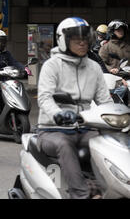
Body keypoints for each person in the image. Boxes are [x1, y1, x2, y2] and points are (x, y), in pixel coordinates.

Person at [37, 17, 113, 199]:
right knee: (64, 144)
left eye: (85, 38)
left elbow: (105, 100)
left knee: (111, 144)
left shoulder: (94, 67)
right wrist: (58, 114)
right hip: (52, 130)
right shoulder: (51, 65)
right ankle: (80, 194)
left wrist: (116, 116)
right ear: (63, 40)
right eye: (76, 39)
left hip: (85, 128)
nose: (82, 42)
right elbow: (45, 98)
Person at [0, 30, 30, 119]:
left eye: (3, 41)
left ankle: (17, 107)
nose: (1, 43)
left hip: (5, 80)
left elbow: (14, 62)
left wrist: (24, 68)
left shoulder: (6, 53)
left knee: (17, 86)